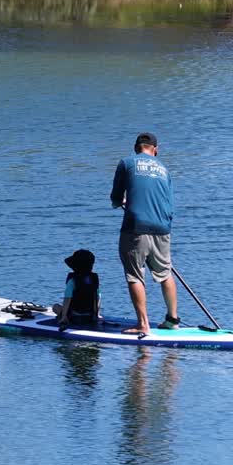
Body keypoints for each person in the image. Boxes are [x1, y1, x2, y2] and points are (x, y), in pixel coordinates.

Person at [110, 132, 178, 334]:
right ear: (155, 150)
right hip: (163, 227)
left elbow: (115, 196)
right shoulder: (164, 169)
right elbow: (170, 204)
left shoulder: (126, 163)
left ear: (135, 147)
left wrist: (119, 202)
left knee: (134, 276)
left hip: (136, 228)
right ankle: (173, 319)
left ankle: (143, 324)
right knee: (165, 273)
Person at [54, 249, 100, 328]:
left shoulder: (72, 280)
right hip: (89, 316)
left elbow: (67, 299)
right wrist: (97, 314)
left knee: (55, 307)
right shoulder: (94, 279)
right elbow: (98, 297)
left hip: (74, 317)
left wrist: (64, 316)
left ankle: (64, 315)